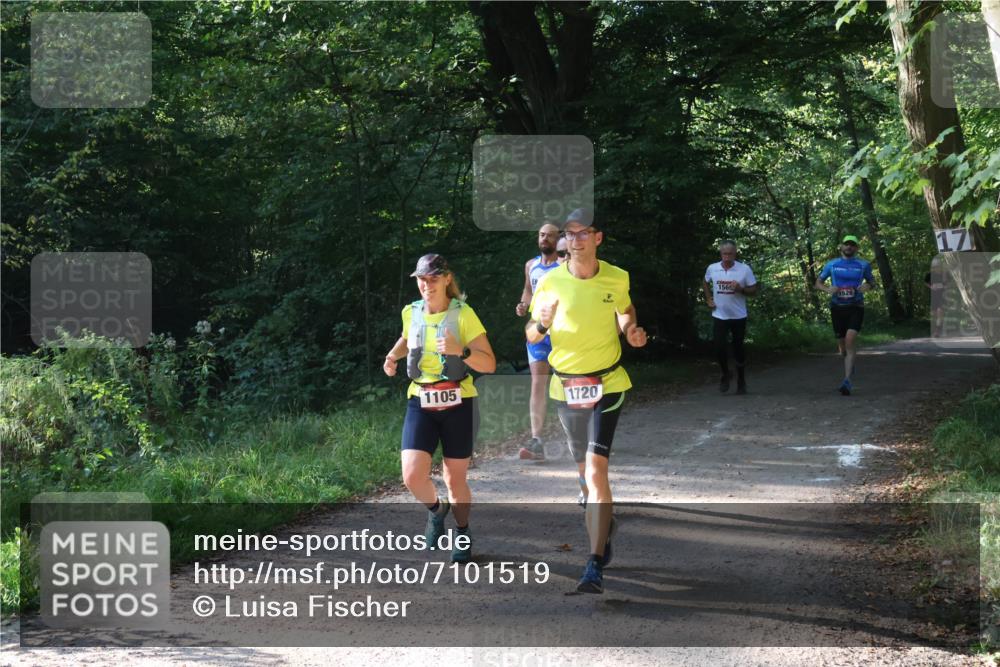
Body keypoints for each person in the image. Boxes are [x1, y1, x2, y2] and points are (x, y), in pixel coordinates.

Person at [526, 208, 648, 594]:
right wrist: (542, 323)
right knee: (583, 475)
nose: (575, 240)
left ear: (598, 238)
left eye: (583, 233)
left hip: (608, 383)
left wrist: (630, 330)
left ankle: (593, 565)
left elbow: (624, 310)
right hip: (566, 388)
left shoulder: (617, 276)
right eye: (569, 234)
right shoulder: (549, 282)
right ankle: (603, 528)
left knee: (596, 472)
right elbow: (531, 335)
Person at [384, 254, 496, 563]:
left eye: (433, 279)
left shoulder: (463, 315)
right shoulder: (412, 311)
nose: (426, 285)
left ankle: (461, 530)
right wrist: (392, 357)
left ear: (447, 279)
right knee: (411, 476)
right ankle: (437, 510)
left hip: (459, 402)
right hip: (421, 399)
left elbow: (488, 362)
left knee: (454, 479)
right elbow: (408, 338)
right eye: (421, 279)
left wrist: (462, 350)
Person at [514, 223, 562, 461]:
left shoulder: (565, 265)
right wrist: (523, 305)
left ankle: (585, 435)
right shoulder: (530, 265)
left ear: (557, 240)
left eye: (550, 236)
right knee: (538, 384)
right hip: (538, 333)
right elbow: (528, 292)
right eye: (542, 235)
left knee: (570, 383)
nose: (545, 239)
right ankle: (537, 441)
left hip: (563, 334)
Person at [815, 235, 876, 396]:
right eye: (846, 244)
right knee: (842, 347)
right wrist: (828, 289)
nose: (849, 247)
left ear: (856, 248)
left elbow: (872, 282)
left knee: (850, 340)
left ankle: (847, 380)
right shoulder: (832, 265)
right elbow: (818, 282)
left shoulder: (863, 265)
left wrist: (867, 286)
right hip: (837, 308)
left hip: (856, 307)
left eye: (852, 245)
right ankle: (849, 360)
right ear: (841, 246)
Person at [703, 240, 758, 394]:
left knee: (738, 348)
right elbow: (705, 282)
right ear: (720, 254)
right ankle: (725, 373)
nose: (727, 257)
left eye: (730, 254)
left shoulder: (744, 269)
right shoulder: (713, 268)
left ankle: (741, 380)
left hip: (738, 316)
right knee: (719, 347)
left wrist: (741, 289)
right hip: (720, 315)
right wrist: (708, 299)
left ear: (735, 253)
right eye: (724, 254)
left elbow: (754, 290)